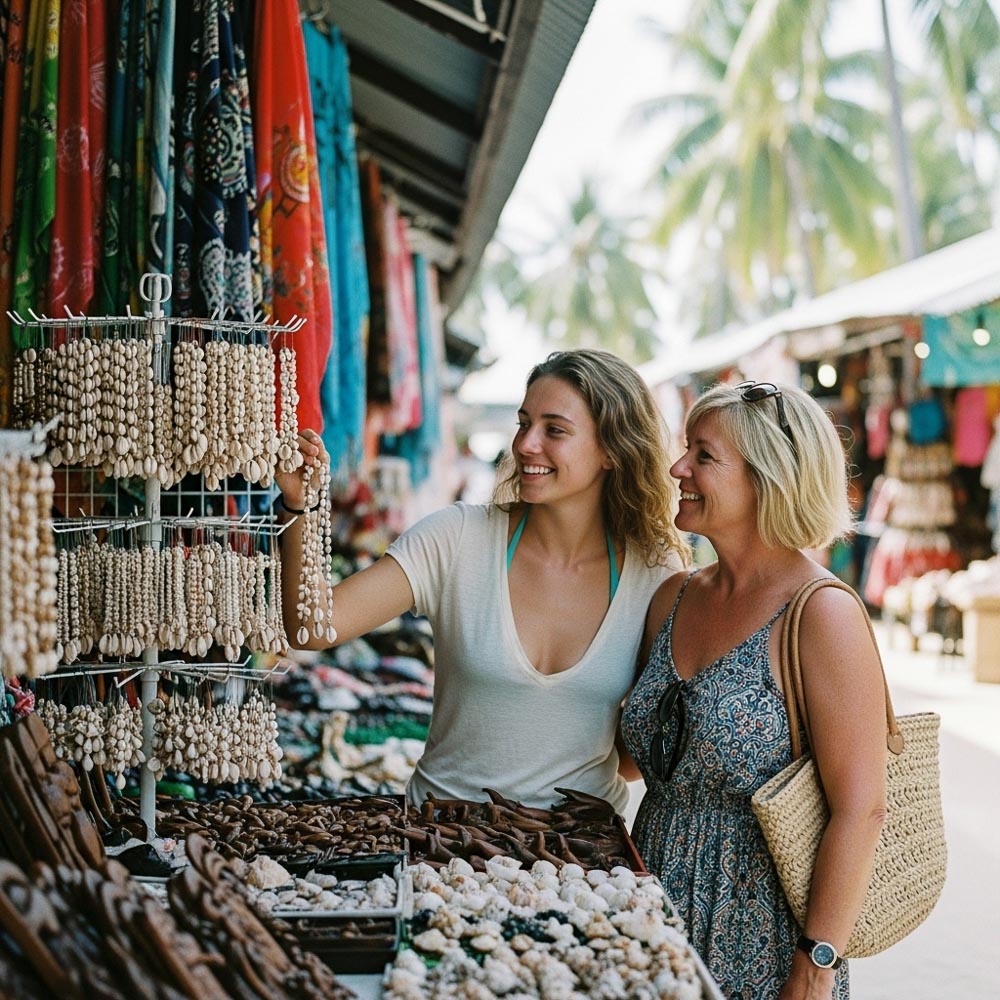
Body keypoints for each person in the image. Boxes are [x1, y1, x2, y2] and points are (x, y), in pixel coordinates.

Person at [275, 349, 689, 812]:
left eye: (554, 430)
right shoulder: (457, 538)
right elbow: (312, 627)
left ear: (612, 450)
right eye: (523, 423)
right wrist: (298, 507)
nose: (526, 444)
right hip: (442, 845)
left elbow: (634, 759)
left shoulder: (655, 576)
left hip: (583, 860)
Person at [620, 381, 887, 1000]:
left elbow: (862, 807)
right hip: (647, 913)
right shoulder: (673, 598)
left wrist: (815, 963)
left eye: (703, 455)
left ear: (767, 479)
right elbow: (635, 764)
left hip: (762, 936)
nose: (676, 468)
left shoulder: (821, 614)